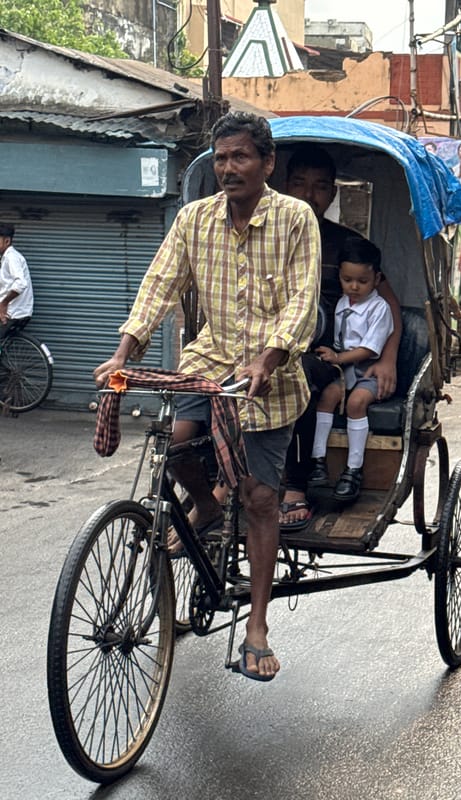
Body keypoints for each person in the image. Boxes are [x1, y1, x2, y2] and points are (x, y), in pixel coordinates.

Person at [94, 111, 321, 681]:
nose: (228, 168)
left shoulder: (295, 219)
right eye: (221, 159)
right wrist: (125, 354)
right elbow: (158, 284)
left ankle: (257, 627)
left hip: (271, 377)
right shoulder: (194, 219)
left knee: (261, 497)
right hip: (208, 365)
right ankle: (207, 503)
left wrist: (270, 357)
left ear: (267, 164)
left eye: (240, 157)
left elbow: (302, 300)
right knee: (172, 448)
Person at [278, 144, 402, 530]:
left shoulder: (344, 244)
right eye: (299, 184)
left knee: (296, 376)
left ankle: (295, 488)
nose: (308, 195)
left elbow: (389, 301)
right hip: (270, 341)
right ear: (285, 187)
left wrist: (388, 358)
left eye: (319, 187)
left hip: (324, 351)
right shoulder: (269, 237)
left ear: (331, 193)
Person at [308, 237, 394, 501]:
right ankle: (317, 460)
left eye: (362, 281)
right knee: (326, 397)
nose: (354, 287)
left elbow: (369, 350)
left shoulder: (380, 308)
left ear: (377, 279)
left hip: (368, 371)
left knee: (356, 403)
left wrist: (337, 357)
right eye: (347, 280)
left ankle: (353, 469)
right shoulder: (343, 304)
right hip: (344, 371)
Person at [0, 223, 34, 338]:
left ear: (7, 241)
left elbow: (20, 283)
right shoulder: (7, 258)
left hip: (12, 313)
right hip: (15, 311)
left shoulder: (12, 257)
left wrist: (4, 303)